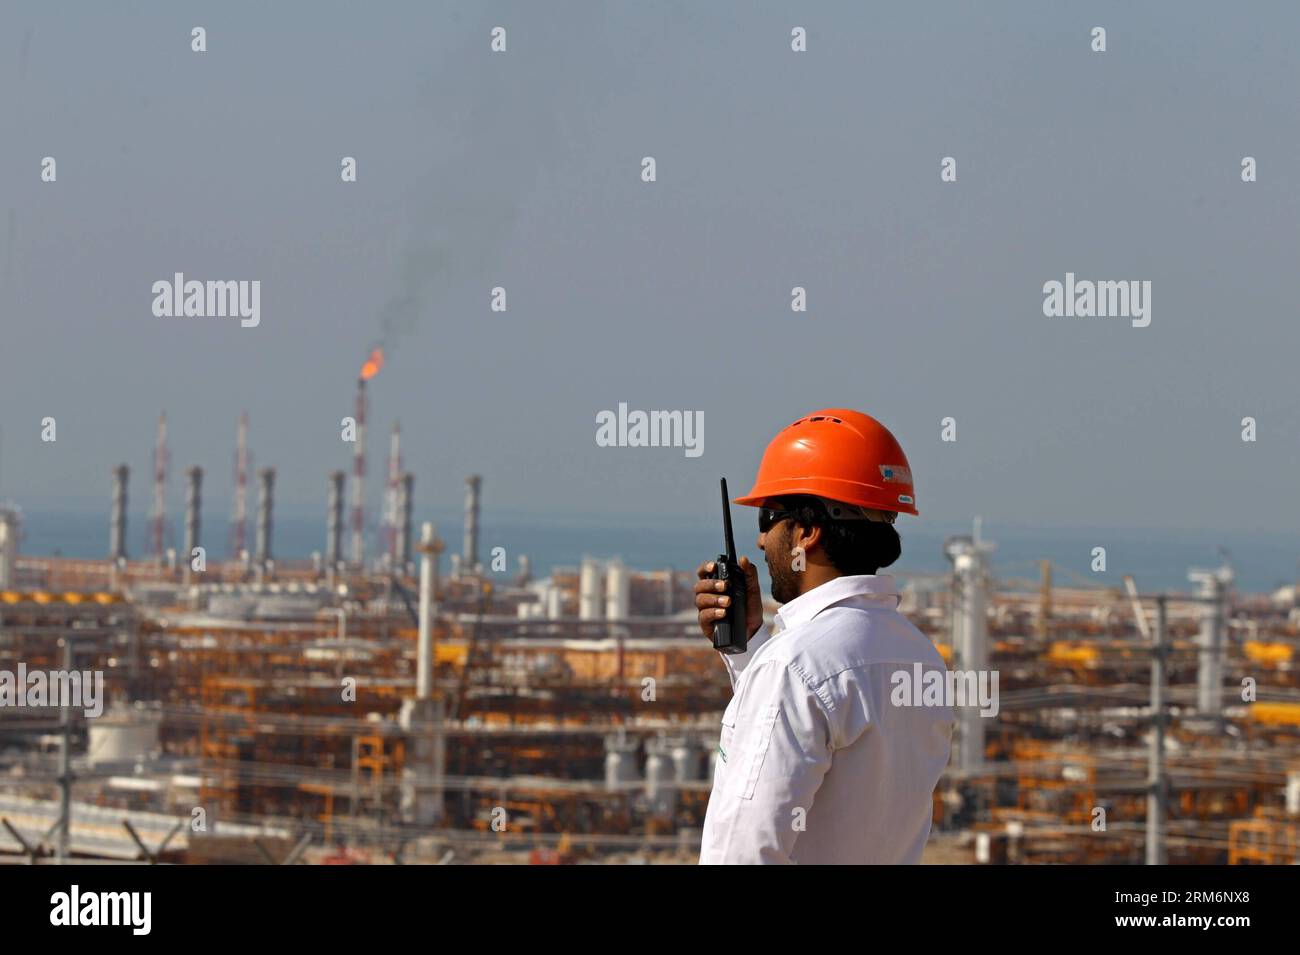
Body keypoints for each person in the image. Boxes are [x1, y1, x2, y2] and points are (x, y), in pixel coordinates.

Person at [695, 409, 952, 864]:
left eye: (768, 518)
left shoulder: (793, 666)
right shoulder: (920, 656)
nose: (760, 542)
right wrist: (749, 643)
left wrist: (768, 660)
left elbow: (746, 850)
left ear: (807, 532)